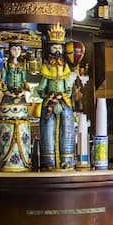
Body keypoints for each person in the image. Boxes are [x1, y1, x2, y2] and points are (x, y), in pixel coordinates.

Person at [38, 31, 75, 170]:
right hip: (50, 102)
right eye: (54, 48)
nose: (57, 51)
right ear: (49, 49)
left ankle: (66, 159)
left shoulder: (65, 68)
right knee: (48, 129)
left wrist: (63, 95)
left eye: (59, 48)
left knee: (67, 129)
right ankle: (49, 160)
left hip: (63, 102)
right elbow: (41, 89)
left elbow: (68, 88)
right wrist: (49, 97)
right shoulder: (46, 68)